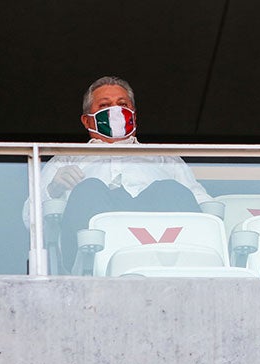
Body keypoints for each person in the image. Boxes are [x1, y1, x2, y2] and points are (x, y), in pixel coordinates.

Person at [23, 76, 212, 272]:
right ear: (87, 120)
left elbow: (204, 206)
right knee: (90, 189)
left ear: (134, 115)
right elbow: (30, 218)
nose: (115, 110)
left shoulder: (163, 158)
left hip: (165, 252)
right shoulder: (66, 159)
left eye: (122, 104)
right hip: (92, 258)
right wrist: (54, 189)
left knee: (170, 190)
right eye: (105, 105)